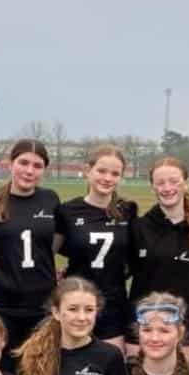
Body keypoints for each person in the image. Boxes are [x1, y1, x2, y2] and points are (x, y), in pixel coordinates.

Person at [0, 139, 60, 371]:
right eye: (23, 162)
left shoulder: (50, 199)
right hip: (0, 299)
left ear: (44, 169)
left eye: (37, 165)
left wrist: (53, 266)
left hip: (41, 299)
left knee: (36, 370)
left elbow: (59, 240)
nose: (29, 170)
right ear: (10, 164)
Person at [55, 145, 138, 349]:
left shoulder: (127, 210)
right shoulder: (67, 210)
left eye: (114, 173)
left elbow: (133, 255)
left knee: (112, 366)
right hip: (77, 303)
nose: (107, 178)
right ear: (88, 170)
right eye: (101, 171)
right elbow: (48, 252)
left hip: (113, 302)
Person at [127, 156, 189, 355]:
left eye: (174, 181)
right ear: (152, 187)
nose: (167, 188)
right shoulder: (138, 228)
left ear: (187, 184)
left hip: (184, 324)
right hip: (142, 325)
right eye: (160, 183)